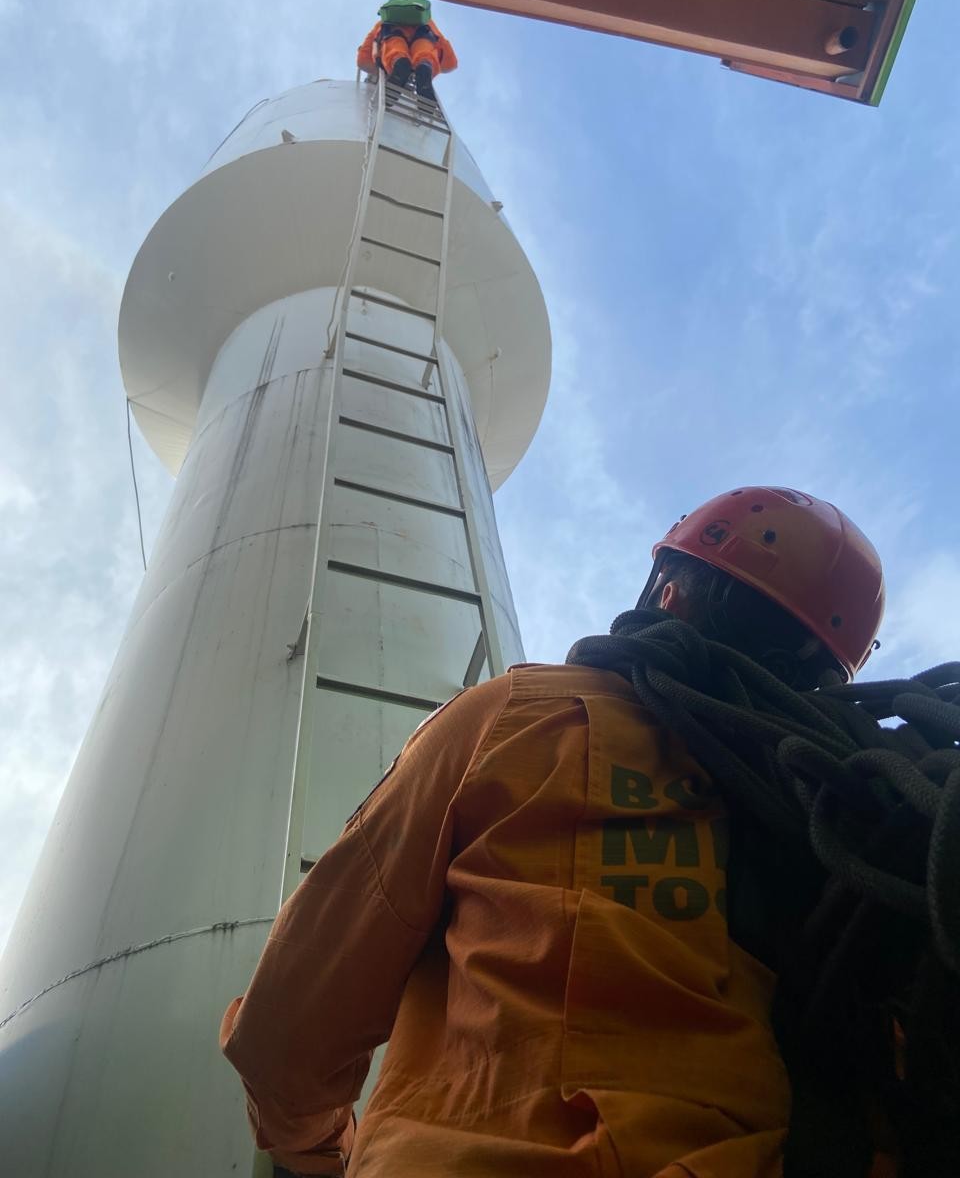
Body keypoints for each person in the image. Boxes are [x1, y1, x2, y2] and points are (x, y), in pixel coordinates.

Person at [220, 487, 960, 1176]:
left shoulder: (521, 715)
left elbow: (289, 1032)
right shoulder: (865, 819)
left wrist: (316, 1152)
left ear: (668, 594)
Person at [356, 0, 457, 104]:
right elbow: (450, 62)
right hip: (424, 35)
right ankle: (425, 65)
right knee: (425, 50)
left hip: (391, 33)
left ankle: (399, 62)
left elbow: (363, 61)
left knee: (394, 47)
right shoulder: (427, 21)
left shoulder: (383, 22)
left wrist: (384, 71)